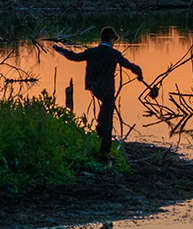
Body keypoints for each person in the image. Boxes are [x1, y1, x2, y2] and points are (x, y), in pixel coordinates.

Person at [53, 26, 146, 160]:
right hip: (108, 90)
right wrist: (139, 74)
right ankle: (105, 152)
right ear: (111, 40)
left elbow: (73, 57)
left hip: (94, 88)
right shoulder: (114, 54)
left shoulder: (92, 52)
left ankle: (100, 124)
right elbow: (131, 66)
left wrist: (59, 49)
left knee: (105, 109)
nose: (114, 43)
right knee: (108, 121)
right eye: (114, 40)